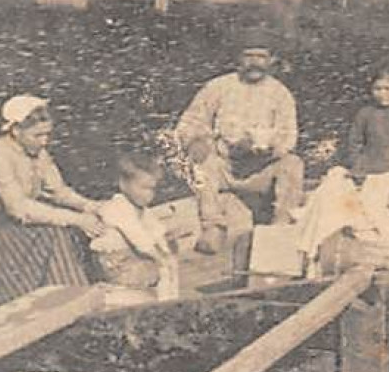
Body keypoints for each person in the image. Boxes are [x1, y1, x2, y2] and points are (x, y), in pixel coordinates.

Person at [0, 94, 104, 312]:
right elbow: (19, 209)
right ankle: (68, 302)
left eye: (47, 135)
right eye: (37, 135)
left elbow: (58, 191)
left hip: (14, 221)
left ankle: (73, 293)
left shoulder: (38, 152)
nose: (44, 141)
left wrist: (90, 207)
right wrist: (76, 219)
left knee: (73, 232)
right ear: (16, 131)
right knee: (55, 234)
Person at [174, 33, 304, 255]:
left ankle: (280, 228)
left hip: (260, 170)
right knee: (203, 162)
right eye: (248, 55)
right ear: (238, 59)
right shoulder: (219, 86)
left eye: (261, 56)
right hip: (225, 167)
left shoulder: (280, 94)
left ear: (271, 60)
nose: (254, 62)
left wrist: (268, 148)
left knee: (293, 164)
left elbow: (289, 137)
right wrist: (195, 140)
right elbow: (189, 122)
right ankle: (213, 226)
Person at [90, 153, 180, 300]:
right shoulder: (116, 208)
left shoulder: (142, 210)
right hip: (115, 266)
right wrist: (163, 258)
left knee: (169, 258)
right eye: (143, 188)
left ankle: (170, 301)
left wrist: (166, 245)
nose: (149, 195)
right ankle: (166, 304)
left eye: (152, 189)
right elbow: (141, 241)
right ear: (123, 184)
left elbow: (157, 231)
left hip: (130, 259)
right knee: (163, 265)